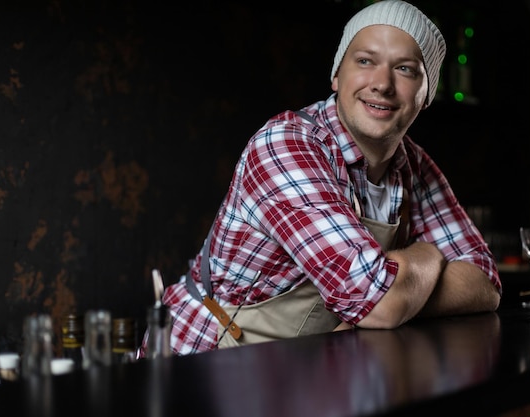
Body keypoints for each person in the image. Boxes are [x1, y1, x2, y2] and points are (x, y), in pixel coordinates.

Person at [154, 0, 501, 355]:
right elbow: (380, 306)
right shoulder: (286, 145)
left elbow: (485, 282)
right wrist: (428, 256)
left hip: (301, 365)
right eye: (365, 61)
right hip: (208, 361)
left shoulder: (413, 164)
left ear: (426, 95)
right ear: (337, 75)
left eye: (406, 69)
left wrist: (388, 301)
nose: (382, 84)